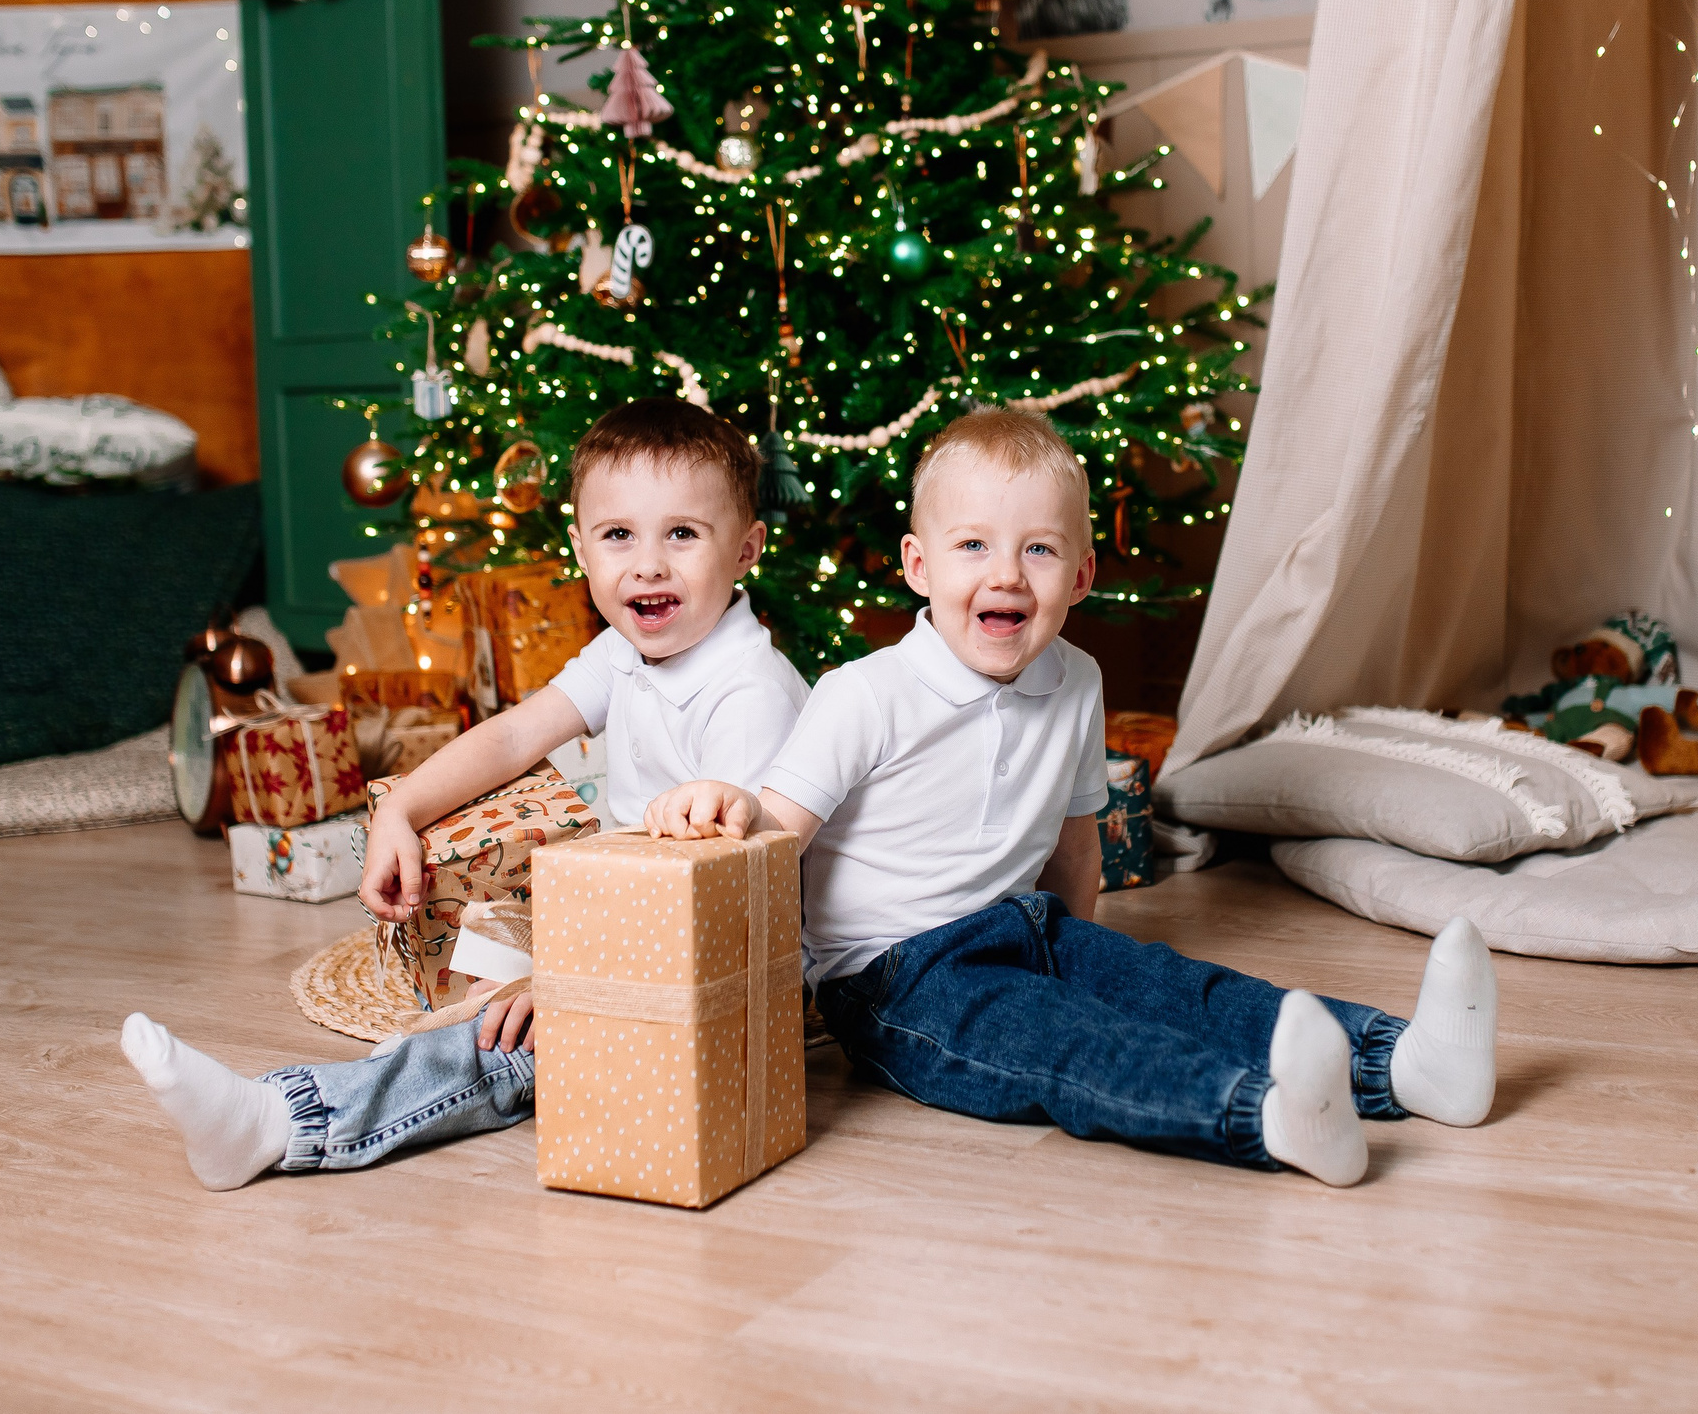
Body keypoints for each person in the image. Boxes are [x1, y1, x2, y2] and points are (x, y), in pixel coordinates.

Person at [646, 409, 1499, 1185]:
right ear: (919, 564)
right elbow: (775, 832)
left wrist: (1088, 959)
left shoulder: (1076, 680)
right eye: (972, 546)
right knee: (1070, 1043)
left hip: (1029, 925)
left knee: (1176, 989)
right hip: (897, 975)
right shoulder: (865, 693)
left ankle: (1405, 1063)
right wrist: (725, 801)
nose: (1007, 575)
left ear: (1083, 573)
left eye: (1040, 549)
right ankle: (1264, 1114)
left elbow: (1075, 842)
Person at [119, 398, 808, 1189]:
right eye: (619, 535)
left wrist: (566, 977)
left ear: (747, 547)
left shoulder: (747, 691)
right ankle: (435, 1043)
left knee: (511, 1039)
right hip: (635, 909)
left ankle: (288, 1120)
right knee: (486, 964)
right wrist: (402, 811)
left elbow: (730, 896)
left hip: (722, 948)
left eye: (682, 534)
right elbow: (513, 738)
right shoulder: (625, 651)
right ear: (580, 547)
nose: (647, 564)